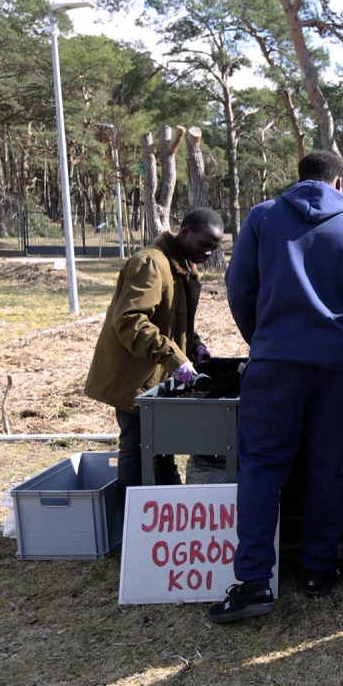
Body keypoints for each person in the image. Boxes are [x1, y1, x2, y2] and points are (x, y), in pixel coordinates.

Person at [208, 150, 343, 624]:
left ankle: (253, 582)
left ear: (299, 179)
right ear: (340, 185)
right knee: (330, 468)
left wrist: (264, 339)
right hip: (335, 369)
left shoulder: (263, 217)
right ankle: (319, 569)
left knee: (262, 468)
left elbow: (239, 288)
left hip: (273, 365)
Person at [84, 207, 225, 489]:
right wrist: (175, 359)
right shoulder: (150, 263)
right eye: (204, 244)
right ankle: (133, 514)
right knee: (138, 449)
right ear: (185, 233)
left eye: (214, 247)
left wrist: (195, 346)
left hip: (156, 377)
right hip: (134, 377)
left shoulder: (182, 269)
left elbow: (173, 320)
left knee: (161, 449)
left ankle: (167, 510)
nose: (209, 253)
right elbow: (131, 321)